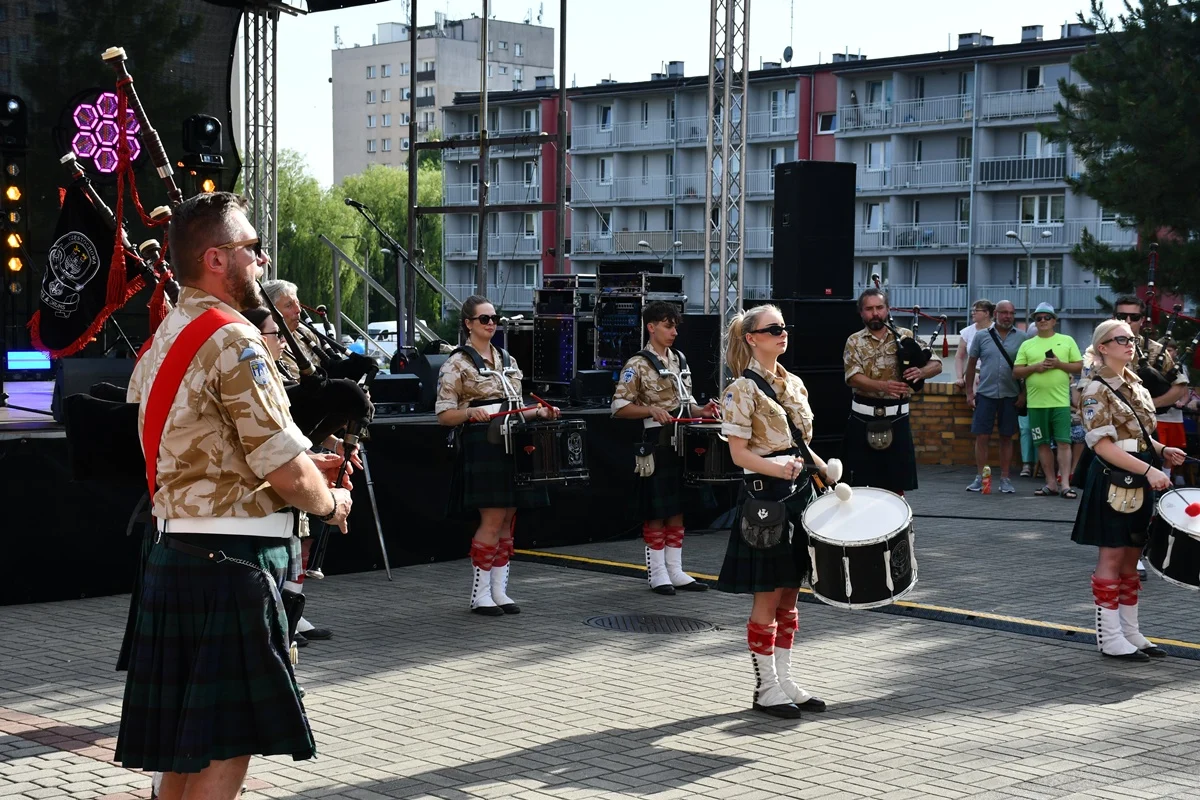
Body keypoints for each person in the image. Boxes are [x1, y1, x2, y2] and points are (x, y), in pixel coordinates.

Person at [116, 192, 353, 799]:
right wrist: (330, 503)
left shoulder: (170, 332)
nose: (262, 259)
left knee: (186, 748)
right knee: (225, 745)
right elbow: (285, 471)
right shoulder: (235, 339)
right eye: (253, 247)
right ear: (216, 259)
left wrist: (297, 466)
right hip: (234, 564)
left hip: (179, 555)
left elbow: (197, 445)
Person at [716, 304, 831, 719]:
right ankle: (765, 688)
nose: (783, 333)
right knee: (768, 594)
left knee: (791, 592)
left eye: (784, 327)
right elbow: (738, 454)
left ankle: (785, 680)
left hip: (800, 495)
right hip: (765, 500)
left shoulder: (794, 383)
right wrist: (777, 468)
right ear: (752, 338)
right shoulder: (740, 390)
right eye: (773, 328)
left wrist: (825, 471)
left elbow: (800, 444)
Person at [436, 295, 561, 616]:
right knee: (492, 519)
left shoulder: (507, 359)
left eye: (495, 318)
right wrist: (469, 413)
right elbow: (444, 415)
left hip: (514, 442)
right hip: (484, 443)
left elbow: (516, 408)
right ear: (468, 323)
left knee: (508, 519)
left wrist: (540, 412)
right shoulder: (456, 363)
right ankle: (480, 595)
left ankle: (499, 591)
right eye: (484, 319)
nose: (491, 323)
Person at [1071, 319, 1184, 661]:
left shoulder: (1136, 385)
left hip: (1138, 476)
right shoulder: (1095, 388)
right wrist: (1149, 469)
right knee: (1112, 555)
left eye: (1131, 338)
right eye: (1120, 339)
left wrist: (1162, 450)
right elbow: (1103, 445)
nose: (1129, 343)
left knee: (1133, 556)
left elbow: (1138, 436)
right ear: (1102, 347)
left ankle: (1130, 632)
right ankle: (1109, 638)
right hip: (1114, 478)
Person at [612, 301, 720, 594]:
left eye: (675, 327)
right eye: (668, 326)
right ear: (651, 327)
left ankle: (675, 569)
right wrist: (649, 409)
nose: (674, 332)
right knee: (656, 510)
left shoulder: (680, 360)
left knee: (678, 508)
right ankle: (657, 572)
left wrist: (702, 410)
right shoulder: (637, 364)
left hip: (683, 440)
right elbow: (618, 406)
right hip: (656, 442)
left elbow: (686, 403)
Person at [842, 287, 942, 493]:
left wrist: (921, 372)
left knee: (896, 485)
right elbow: (853, 377)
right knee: (861, 483)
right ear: (861, 312)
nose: (875, 313)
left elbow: (936, 364)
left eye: (879, 307)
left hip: (897, 417)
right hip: (863, 417)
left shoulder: (905, 336)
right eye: (869, 309)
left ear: (887, 309)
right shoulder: (854, 341)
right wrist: (883, 386)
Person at [1013, 303, 1083, 498]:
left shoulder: (1066, 340)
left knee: (1063, 442)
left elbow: (1079, 367)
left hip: (1060, 403)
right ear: (1035, 322)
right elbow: (1016, 372)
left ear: (1054, 321)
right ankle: (1051, 483)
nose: (1043, 321)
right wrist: (1035, 367)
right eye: (1038, 318)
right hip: (1036, 404)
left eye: (1047, 317)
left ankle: (1065, 484)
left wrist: (1059, 364)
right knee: (1042, 443)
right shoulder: (1027, 344)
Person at [964, 300, 1027, 493]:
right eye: (1004, 312)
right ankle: (980, 477)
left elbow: (1027, 369)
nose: (1008, 316)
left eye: (1011, 313)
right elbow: (971, 365)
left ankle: (1005, 479)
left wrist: (1023, 394)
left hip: (1011, 394)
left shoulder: (1023, 338)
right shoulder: (981, 336)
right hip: (985, 393)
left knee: (1006, 437)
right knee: (982, 436)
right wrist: (969, 393)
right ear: (995, 314)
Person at [955, 299, 994, 388]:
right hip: (973, 373)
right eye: (972, 310)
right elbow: (959, 356)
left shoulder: (997, 330)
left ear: (986, 313)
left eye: (976, 311)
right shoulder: (967, 332)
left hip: (993, 374)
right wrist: (960, 377)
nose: (973, 313)